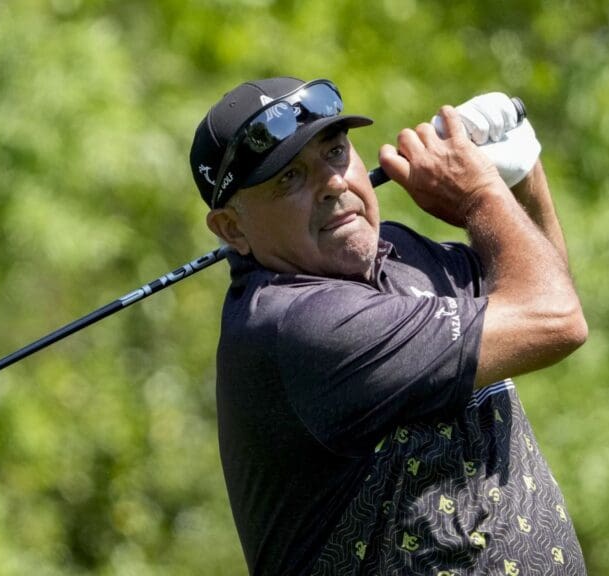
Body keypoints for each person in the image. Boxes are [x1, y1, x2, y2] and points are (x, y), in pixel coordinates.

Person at [188, 76, 588, 575]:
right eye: (289, 178)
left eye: (335, 152)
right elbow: (556, 321)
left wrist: (523, 179)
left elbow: (543, 288)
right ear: (232, 229)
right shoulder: (297, 327)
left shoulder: (403, 253)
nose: (332, 183)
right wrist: (480, 197)